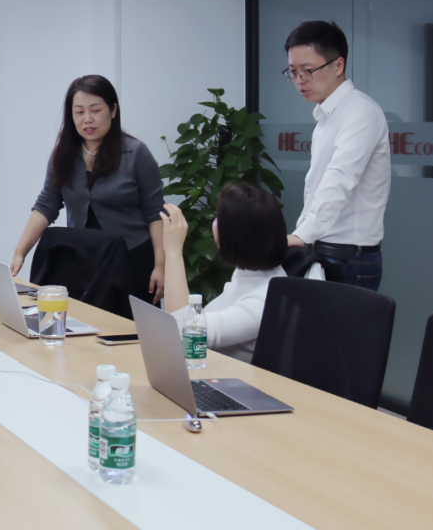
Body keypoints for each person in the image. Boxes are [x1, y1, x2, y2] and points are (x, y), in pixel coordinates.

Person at [13, 74, 166, 304]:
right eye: (79, 112)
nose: (87, 119)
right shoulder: (62, 155)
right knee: (80, 322)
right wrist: (20, 252)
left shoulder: (135, 153)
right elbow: (46, 204)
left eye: (95, 110)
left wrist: (161, 266)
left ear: (113, 110)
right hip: (83, 261)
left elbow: (155, 214)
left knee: (127, 325)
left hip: (131, 260)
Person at [160, 184, 323, 363]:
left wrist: (173, 252)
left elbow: (186, 333)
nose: (214, 223)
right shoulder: (245, 273)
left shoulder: (265, 300)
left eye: (219, 219)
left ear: (232, 236)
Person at [284, 21, 390, 290]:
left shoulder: (359, 111)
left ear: (338, 65)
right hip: (322, 251)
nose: (300, 80)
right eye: (293, 72)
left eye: (308, 70)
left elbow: (339, 179)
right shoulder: (327, 116)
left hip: (347, 258)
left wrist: (300, 235)